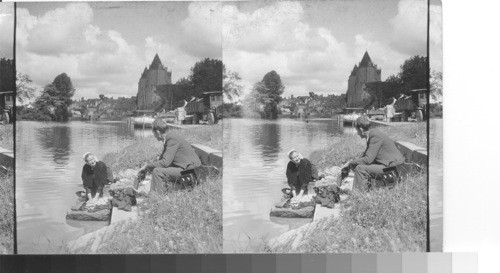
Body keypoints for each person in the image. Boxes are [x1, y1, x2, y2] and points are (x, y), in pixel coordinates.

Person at [138, 118, 201, 194]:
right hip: (189, 170)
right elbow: (161, 160)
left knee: (157, 171)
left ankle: (156, 198)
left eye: (153, 133)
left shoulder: (172, 139)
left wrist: (148, 166)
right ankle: (157, 193)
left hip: (191, 174)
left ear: (158, 132)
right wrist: (146, 169)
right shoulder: (169, 138)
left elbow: (165, 163)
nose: (154, 135)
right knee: (158, 169)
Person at [342, 115, 404, 192]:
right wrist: (352, 163)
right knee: (360, 166)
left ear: (361, 129)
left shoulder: (374, 136)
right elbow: (366, 156)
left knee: (360, 169)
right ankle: (364, 188)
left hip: (392, 168)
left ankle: (357, 195)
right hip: (391, 165)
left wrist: (350, 164)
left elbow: (368, 160)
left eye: (357, 130)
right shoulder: (373, 134)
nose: (357, 133)